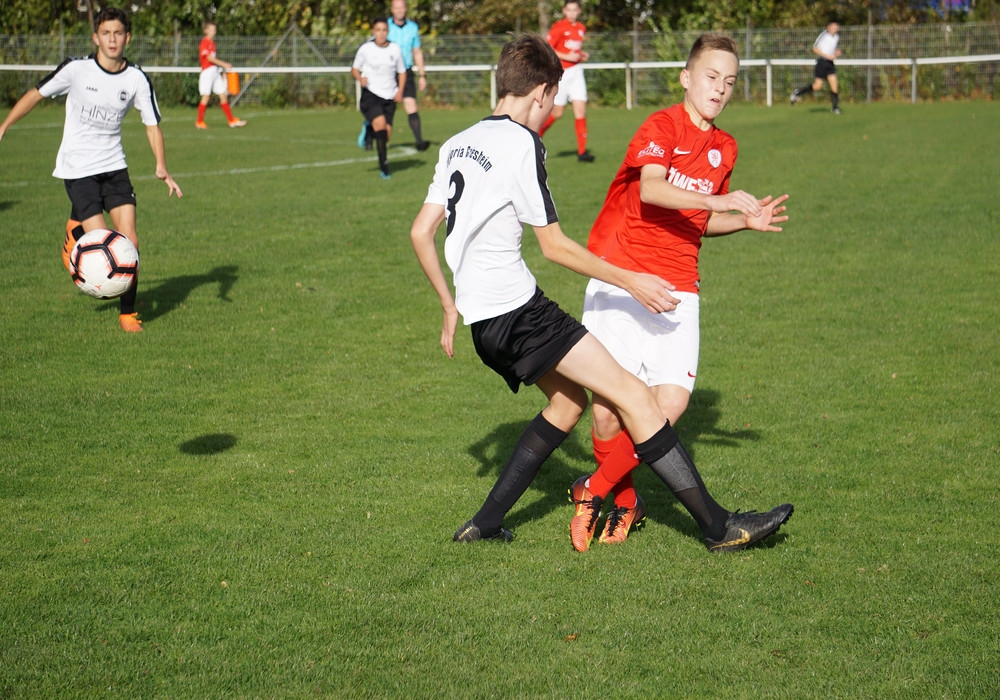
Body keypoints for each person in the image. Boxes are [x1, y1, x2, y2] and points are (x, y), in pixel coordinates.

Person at [409, 34, 792, 554]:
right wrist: (629, 279)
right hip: (523, 313)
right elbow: (554, 247)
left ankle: (486, 523)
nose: (552, 111)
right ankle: (718, 527)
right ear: (541, 93)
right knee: (634, 397)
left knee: (568, 404)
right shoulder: (522, 143)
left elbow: (421, 232)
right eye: (554, 100)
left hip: (484, 325)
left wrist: (449, 305)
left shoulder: (456, 142)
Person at [579, 32, 792, 548]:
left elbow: (699, 220)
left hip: (679, 284)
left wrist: (743, 221)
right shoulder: (662, 125)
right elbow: (652, 188)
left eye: (729, 82)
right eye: (711, 77)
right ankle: (626, 500)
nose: (720, 89)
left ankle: (594, 489)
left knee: (669, 403)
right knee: (606, 412)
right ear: (686, 78)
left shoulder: (725, 148)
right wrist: (719, 202)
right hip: (623, 277)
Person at [0, 6, 183, 333]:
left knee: (129, 242)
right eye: (106, 33)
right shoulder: (76, 69)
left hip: (114, 167)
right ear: (95, 37)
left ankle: (127, 314)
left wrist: (161, 166)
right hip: (78, 167)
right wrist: (4, 125)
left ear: (127, 38)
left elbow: (152, 125)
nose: (112, 39)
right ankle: (76, 237)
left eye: (118, 33)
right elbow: (35, 95)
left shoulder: (136, 78)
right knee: (101, 243)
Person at [539, 0, 594, 162]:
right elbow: (548, 48)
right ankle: (537, 133)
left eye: (574, 10)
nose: (571, 13)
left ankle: (582, 153)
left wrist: (581, 54)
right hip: (561, 73)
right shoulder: (559, 27)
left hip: (576, 72)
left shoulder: (581, 28)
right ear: (564, 11)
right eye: (568, 10)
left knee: (580, 111)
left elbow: (572, 48)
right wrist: (567, 56)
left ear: (579, 11)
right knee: (558, 112)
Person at [352, 17, 406, 179]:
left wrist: (400, 91)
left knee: (386, 135)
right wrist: (360, 79)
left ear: (387, 32)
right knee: (381, 129)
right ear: (373, 31)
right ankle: (385, 168)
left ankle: (369, 129)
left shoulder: (395, 49)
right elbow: (354, 69)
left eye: (384, 30)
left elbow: (402, 72)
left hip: (389, 96)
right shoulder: (366, 49)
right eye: (378, 30)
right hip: (371, 94)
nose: (381, 33)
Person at [387, 0, 430, 151]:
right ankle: (369, 133)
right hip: (388, 72)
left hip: (406, 71)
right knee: (386, 109)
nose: (399, 11)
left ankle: (419, 142)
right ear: (392, 9)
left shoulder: (413, 27)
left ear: (405, 9)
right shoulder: (385, 26)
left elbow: (417, 52)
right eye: (396, 8)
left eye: (401, 8)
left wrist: (422, 75)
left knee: (411, 104)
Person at [196, 20, 246, 129]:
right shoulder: (204, 43)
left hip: (214, 71)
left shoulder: (212, 43)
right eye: (211, 30)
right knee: (206, 96)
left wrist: (221, 69)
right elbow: (209, 58)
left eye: (214, 30)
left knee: (223, 94)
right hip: (207, 72)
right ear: (206, 31)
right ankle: (199, 122)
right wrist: (224, 64)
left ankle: (231, 121)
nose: (213, 32)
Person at [790, 21, 842, 114]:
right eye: (833, 27)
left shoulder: (836, 37)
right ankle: (797, 93)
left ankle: (835, 107)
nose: (835, 29)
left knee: (834, 86)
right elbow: (815, 49)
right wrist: (827, 56)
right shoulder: (824, 35)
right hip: (822, 63)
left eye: (836, 27)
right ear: (828, 27)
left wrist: (836, 52)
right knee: (817, 86)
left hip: (830, 63)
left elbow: (830, 49)